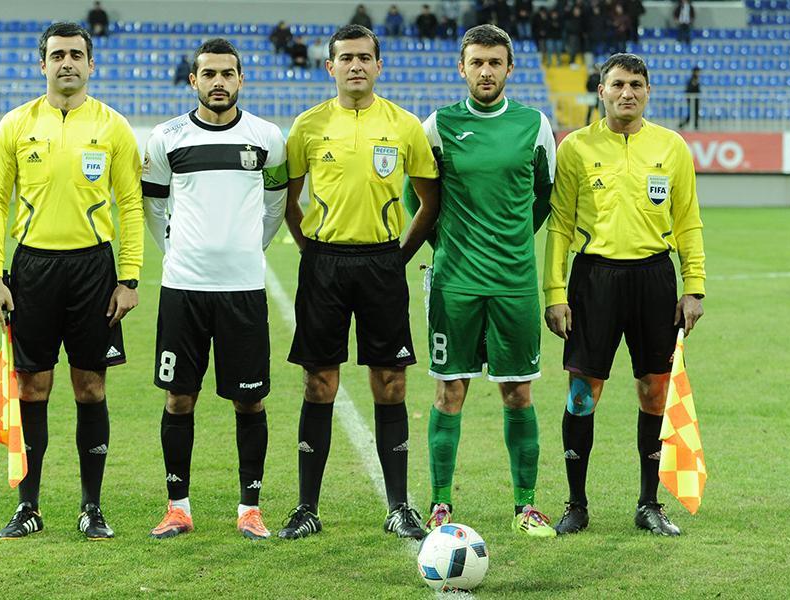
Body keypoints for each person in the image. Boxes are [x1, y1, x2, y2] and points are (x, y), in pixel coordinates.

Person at [0, 22, 144, 540]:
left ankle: (91, 507)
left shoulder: (114, 126)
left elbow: (131, 204)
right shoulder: (16, 124)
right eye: (57, 55)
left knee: (90, 385)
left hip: (94, 271)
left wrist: (129, 278)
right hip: (32, 270)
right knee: (32, 385)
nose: (67, 62)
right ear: (43, 64)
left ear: (91, 64)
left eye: (76, 54)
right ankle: (28, 508)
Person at [279, 24, 440, 541]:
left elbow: (430, 201)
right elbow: (288, 200)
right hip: (324, 265)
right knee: (319, 382)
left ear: (378, 65)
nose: (355, 66)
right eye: (346, 58)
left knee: (391, 381)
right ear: (330, 66)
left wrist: (398, 257)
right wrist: (309, 250)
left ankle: (399, 507)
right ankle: (306, 508)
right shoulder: (307, 125)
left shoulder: (404, 125)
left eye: (364, 58)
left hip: (381, 264)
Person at [402, 24, 557, 537]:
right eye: (477, 62)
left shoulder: (534, 125)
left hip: (514, 283)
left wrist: (509, 240)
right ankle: (440, 503)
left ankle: (526, 506)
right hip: (456, 283)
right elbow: (416, 199)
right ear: (462, 68)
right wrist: (448, 246)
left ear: (510, 68)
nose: (486, 71)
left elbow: (543, 197)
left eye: (495, 62)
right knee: (450, 392)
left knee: (518, 394)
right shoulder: (437, 126)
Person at [543, 53, 705, 537]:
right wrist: (555, 292)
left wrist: (693, 287)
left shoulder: (671, 146)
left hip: (654, 279)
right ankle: (576, 504)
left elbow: (688, 221)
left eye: (636, 84)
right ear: (601, 91)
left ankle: (649, 504)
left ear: (648, 91)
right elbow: (560, 225)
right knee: (581, 394)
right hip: (594, 280)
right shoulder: (575, 147)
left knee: (654, 390)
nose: (627, 92)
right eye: (617, 84)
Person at [142, 38, 288, 541]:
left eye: (228, 73)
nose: (218, 82)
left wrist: (249, 247)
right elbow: (154, 206)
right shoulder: (167, 138)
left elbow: (276, 204)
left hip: (243, 289)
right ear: (194, 81)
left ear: (241, 79)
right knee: (179, 397)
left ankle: (250, 508)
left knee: (249, 401)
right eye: (209, 74)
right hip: (183, 289)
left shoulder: (267, 138)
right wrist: (175, 250)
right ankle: (177, 507)